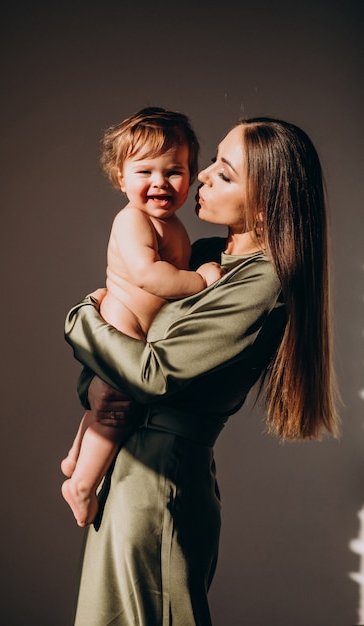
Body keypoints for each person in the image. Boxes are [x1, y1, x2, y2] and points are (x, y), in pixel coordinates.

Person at [64, 116, 339, 626]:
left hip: (158, 485)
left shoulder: (263, 284)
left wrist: (79, 318)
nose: (202, 176)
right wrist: (97, 387)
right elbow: (123, 356)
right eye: (211, 161)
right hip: (126, 472)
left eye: (225, 174)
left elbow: (148, 373)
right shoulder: (204, 258)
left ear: (264, 204)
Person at [61, 107, 223, 527]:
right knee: (118, 407)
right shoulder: (132, 219)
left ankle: (76, 456)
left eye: (174, 171)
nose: (160, 182)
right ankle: (81, 484)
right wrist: (200, 280)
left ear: (189, 175)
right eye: (145, 171)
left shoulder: (173, 225)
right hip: (123, 319)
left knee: (106, 403)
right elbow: (150, 276)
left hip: (136, 324)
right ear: (120, 178)